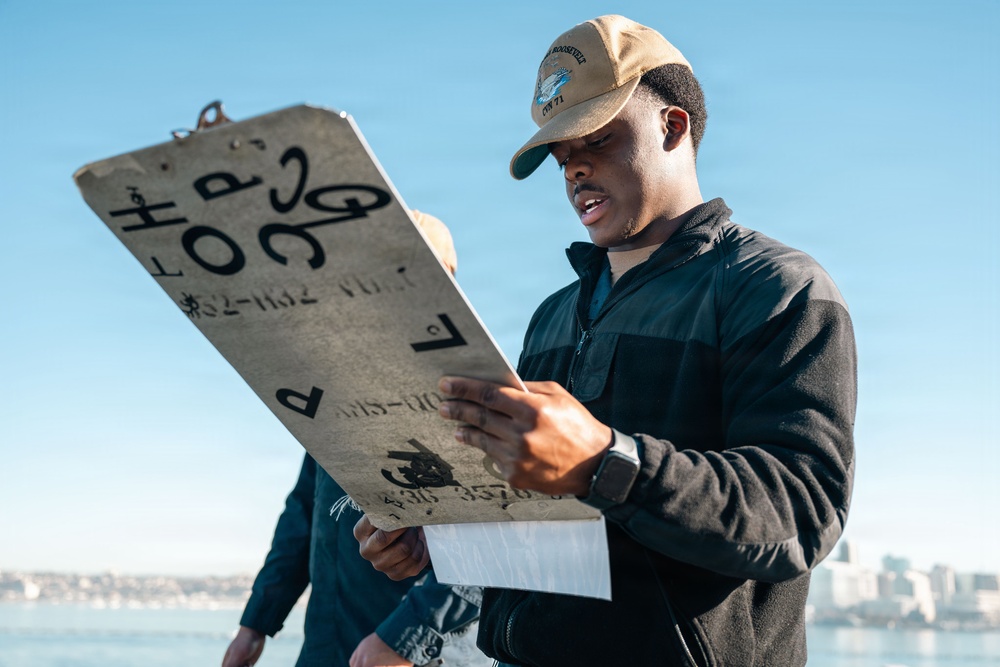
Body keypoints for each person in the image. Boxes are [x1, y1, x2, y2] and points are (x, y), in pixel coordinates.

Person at [356, 15, 857, 667]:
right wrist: (445, 540)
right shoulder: (552, 316)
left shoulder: (777, 288)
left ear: (673, 126)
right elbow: (538, 516)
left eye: (594, 138)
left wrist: (606, 461)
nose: (573, 169)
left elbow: (801, 508)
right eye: (561, 155)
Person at [223, 211, 490, 667]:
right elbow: (304, 513)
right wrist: (256, 623)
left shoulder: (471, 397)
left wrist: (406, 637)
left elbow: (498, 543)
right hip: (327, 646)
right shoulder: (335, 394)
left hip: (415, 653)